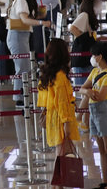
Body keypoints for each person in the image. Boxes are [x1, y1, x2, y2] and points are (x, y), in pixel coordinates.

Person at [37, 39, 80, 186]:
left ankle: (57, 184)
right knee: (62, 153)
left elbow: (43, 99)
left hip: (52, 117)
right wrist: (67, 123)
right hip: (61, 118)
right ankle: (57, 184)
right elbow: (62, 103)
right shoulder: (60, 77)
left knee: (60, 152)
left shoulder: (48, 74)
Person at [6, 0, 51, 106]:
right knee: (22, 67)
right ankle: (20, 99)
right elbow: (25, 20)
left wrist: (40, 14)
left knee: (24, 66)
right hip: (17, 36)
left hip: (22, 36)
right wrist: (42, 22)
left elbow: (29, 17)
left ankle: (22, 97)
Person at [79, 42, 107, 189]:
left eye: (93, 55)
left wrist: (88, 92)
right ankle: (105, 181)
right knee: (101, 149)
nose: (92, 57)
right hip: (94, 111)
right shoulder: (94, 72)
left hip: (104, 111)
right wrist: (88, 92)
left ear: (100, 57)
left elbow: (100, 96)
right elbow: (82, 88)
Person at [69, 0, 102, 86]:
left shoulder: (89, 17)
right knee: (83, 89)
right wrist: (85, 40)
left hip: (87, 59)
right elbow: (72, 28)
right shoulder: (84, 15)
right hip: (81, 60)